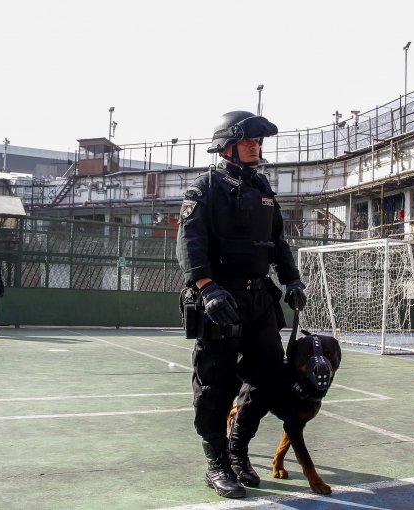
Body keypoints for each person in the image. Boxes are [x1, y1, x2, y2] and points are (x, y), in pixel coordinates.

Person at [176, 111, 307, 499]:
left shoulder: (264, 190)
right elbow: (190, 242)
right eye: (249, 140)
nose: (256, 146)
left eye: (258, 141)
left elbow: (278, 243)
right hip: (218, 296)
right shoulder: (205, 188)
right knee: (215, 384)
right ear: (227, 145)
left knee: (267, 375)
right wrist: (206, 287)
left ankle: (238, 449)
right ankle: (217, 461)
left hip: (258, 297)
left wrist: (292, 279)